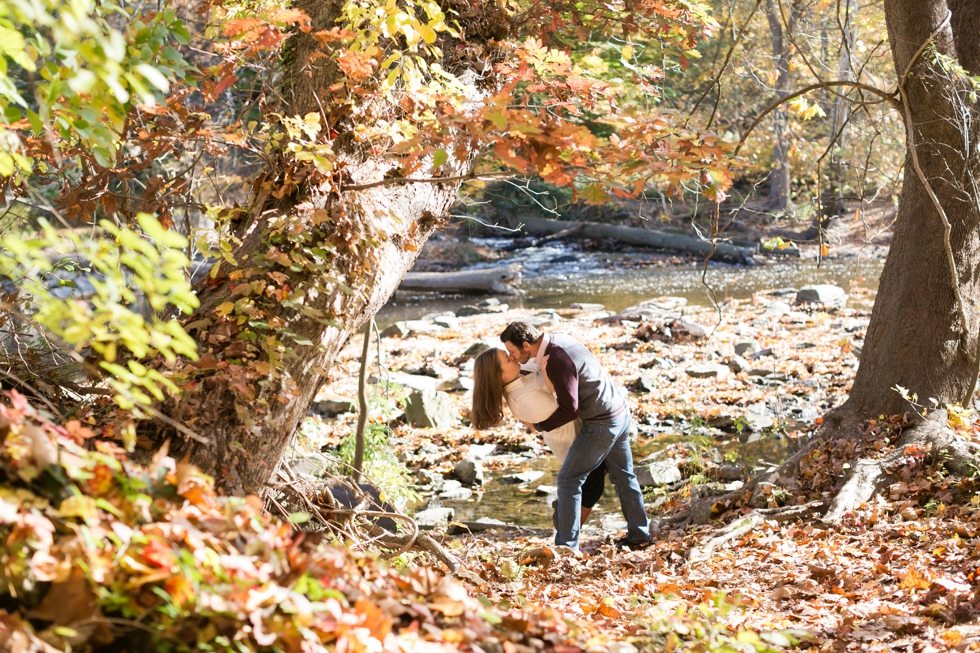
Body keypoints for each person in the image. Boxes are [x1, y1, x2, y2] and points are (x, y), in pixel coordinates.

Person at [500, 321, 652, 551]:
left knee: (568, 480)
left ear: (525, 345)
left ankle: (566, 548)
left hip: (602, 422)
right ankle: (640, 536)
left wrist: (539, 425)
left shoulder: (556, 359)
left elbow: (569, 409)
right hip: (619, 412)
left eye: (512, 351)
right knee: (624, 477)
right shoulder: (558, 339)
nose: (512, 356)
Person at [470, 347, 607, 524]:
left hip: (584, 431)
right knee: (591, 489)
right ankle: (565, 531)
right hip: (573, 442)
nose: (512, 357)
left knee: (602, 473)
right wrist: (548, 377)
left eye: (509, 352)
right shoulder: (521, 400)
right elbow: (565, 409)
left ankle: (565, 514)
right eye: (507, 359)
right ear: (500, 376)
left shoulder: (518, 373)